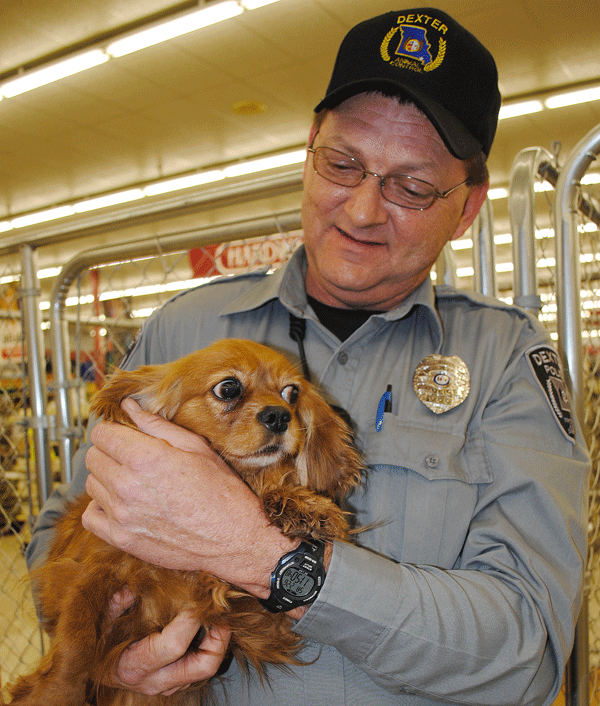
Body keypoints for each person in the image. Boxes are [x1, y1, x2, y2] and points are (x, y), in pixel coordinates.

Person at [27, 8, 590, 706]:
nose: (360, 211)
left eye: (411, 187)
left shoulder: (507, 363)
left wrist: (262, 557)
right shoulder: (182, 333)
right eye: (343, 164)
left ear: (468, 208)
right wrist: (107, 652)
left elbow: (528, 650)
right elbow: (63, 527)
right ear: (307, 155)